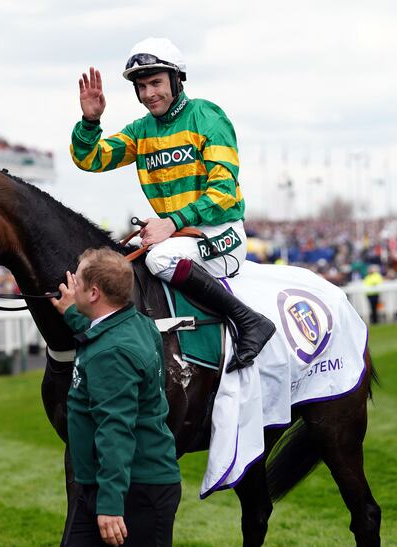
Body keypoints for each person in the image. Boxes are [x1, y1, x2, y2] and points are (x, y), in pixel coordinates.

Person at [70, 37, 275, 372]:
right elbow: (91, 159)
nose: (148, 94)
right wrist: (90, 122)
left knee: (160, 259)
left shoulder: (207, 117)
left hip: (221, 233)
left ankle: (249, 321)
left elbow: (223, 192)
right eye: (141, 87)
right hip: (178, 235)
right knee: (124, 262)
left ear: (177, 80)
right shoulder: (141, 131)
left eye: (156, 83)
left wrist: (172, 222)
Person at [51, 248, 181, 547]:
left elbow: (115, 429)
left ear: (94, 293)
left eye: (77, 281)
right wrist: (72, 312)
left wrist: (110, 505)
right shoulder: (138, 323)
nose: (72, 286)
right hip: (108, 484)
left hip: (134, 492)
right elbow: (103, 330)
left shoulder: (112, 354)